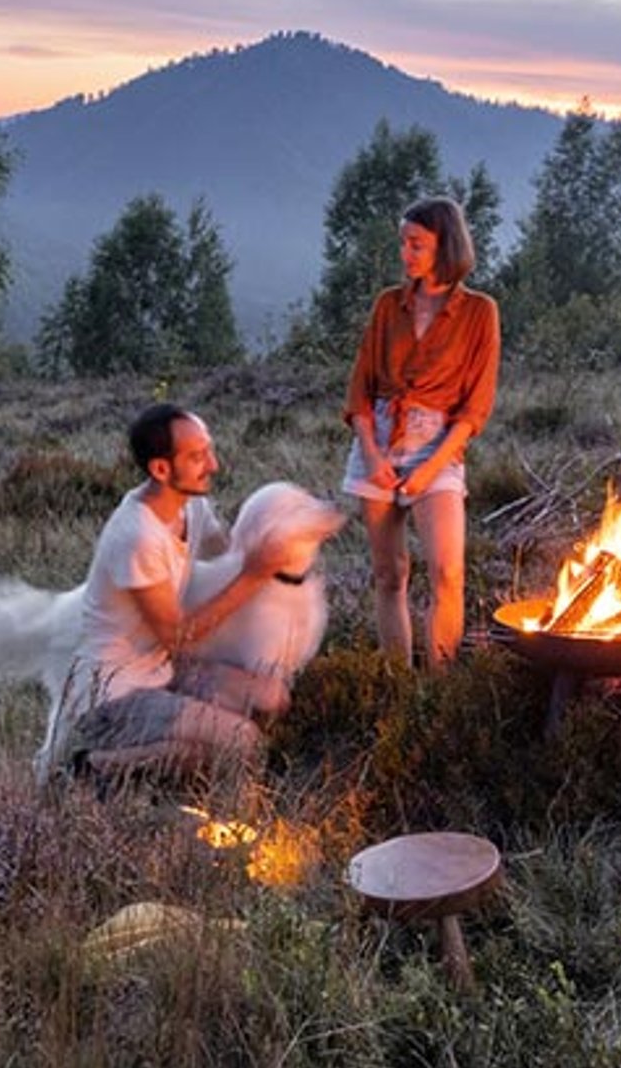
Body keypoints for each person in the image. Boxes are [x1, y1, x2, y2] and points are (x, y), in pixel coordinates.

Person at [69, 403, 303, 778]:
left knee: (273, 698)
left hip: (161, 669)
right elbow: (176, 635)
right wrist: (254, 576)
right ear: (161, 469)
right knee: (244, 741)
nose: (213, 465)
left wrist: (280, 540)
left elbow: (227, 555)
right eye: (197, 456)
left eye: (209, 450)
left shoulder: (191, 508)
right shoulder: (137, 536)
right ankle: (94, 768)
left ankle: (181, 750)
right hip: (110, 695)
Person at [342, 196, 501, 667]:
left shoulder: (479, 312)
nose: (405, 254)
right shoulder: (389, 306)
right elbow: (360, 389)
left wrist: (432, 466)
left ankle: (438, 691)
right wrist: (371, 455)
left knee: (448, 572)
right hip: (380, 437)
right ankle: (397, 687)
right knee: (389, 574)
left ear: (445, 246)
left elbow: (476, 407)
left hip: (440, 443)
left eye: (416, 245)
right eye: (404, 244)